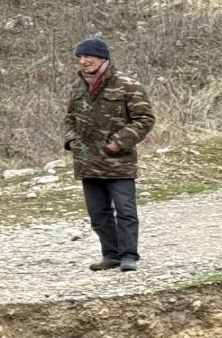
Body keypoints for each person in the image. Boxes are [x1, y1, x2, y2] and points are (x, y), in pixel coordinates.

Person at [63, 37, 155, 272]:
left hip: (118, 162)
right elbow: (69, 119)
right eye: (80, 57)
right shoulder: (78, 88)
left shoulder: (127, 85)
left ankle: (128, 256)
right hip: (88, 163)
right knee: (98, 214)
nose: (83, 62)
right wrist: (72, 140)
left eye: (88, 57)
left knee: (126, 211)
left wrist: (117, 142)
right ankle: (110, 255)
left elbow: (145, 119)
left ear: (102, 58)